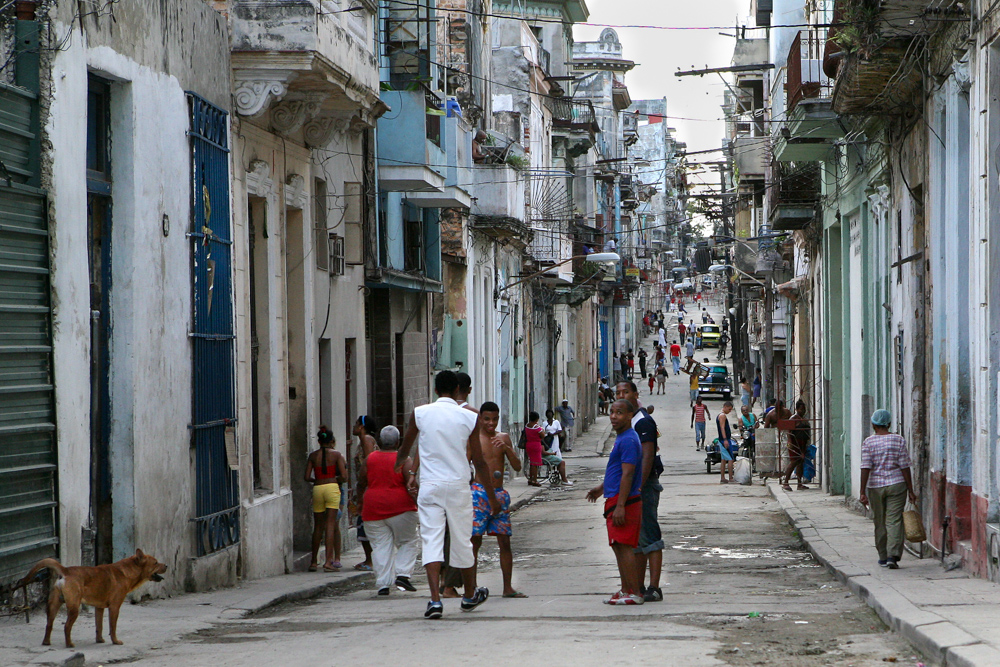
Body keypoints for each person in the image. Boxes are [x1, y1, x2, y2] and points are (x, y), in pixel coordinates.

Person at [396, 370, 499, 619]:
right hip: (457, 486)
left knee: (431, 540)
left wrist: (399, 464)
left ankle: (434, 601)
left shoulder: (420, 413)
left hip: (430, 486)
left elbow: (406, 446)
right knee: (463, 540)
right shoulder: (468, 417)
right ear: (456, 391)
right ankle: (469, 595)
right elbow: (479, 460)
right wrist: (491, 496)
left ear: (435, 390)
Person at [586, 400, 644, 605]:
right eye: (611, 412)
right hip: (614, 498)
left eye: (619, 412)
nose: (614, 416)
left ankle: (635, 592)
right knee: (618, 546)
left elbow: (628, 474)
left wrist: (620, 505)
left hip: (626, 502)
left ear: (630, 415)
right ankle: (625, 589)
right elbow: (617, 472)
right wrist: (601, 489)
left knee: (625, 546)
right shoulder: (622, 439)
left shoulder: (628, 440)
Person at [469, 402, 529, 597]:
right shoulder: (474, 439)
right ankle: (472, 587)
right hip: (478, 493)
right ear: (480, 419)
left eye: (494, 419)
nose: (491, 423)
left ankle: (507, 587)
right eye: (487, 419)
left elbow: (518, 467)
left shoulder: (503, 438)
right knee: (474, 542)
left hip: (500, 493)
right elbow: (464, 464)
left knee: (505, 542)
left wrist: (506, 448)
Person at [356, 425, 420, 596]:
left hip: (373, 508)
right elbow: (411, 484)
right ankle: (403, 574)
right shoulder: (404, 460)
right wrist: (419, 501)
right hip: (401, 508)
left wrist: (359, 501)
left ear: (380, 441)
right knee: (408, 541)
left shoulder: (370, 459)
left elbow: (361, 481)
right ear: (398, 442)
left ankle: (383, 583)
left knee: (380, 546)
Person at [615, 381, 664, 602]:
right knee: (637, 540)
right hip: (632, 489)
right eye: (618, 392)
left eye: (626, 392)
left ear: (636, 394)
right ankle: (639, 585)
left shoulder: (643, 422)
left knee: (650, 536)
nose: (622, 395)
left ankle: (654, 587)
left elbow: (647, 456)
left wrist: (638, 488)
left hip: (643, 487)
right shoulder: (628, 421)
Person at [859, 409, 918, 569]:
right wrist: (910, 490)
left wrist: (862, 491)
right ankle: (893, 555)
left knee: (879, 521)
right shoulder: (898, 440)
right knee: (894, 520)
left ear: (873, 424)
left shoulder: (868, 442)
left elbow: (865, 467)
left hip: (875, 486)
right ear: (889, 424)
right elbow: (904, 466)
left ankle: (883, 556)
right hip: (897, 484)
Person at [304, 426, 347, 572]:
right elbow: (344, 476)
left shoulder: (313, 456)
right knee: (330, 525)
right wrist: (334, 478)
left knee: (318, 526)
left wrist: (317, 479)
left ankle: (313, 562)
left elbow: (307, 476)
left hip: (317, 489)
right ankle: (328, 561)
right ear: (331, 440)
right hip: (332, 488)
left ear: (319, 441)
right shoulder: (337, 455)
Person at [352, 415, 379, 571]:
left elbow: (369, 463)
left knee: (364, 522)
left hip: (368, 487)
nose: (354, 427)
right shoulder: (365, 441)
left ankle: (370, 560)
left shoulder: (367, 440)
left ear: (361, 427)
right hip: (365, 486)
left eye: (356, 424)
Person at [780, 400, 812, 491]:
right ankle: (785, 482)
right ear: (797, 409)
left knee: (800, 463)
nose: (803, 411)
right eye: (801, 409)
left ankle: (799, 483)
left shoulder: (804, 419)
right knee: (794, 462)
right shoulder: (793, 419)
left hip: (802, 444)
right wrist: (790, 443)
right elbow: (789, 433)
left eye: (804, 409)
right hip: (795, 444)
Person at [541, 411, 573, 486]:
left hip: (555, 439)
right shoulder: (544, 423)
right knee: (559, 460)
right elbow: (544, 432)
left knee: (557, 454)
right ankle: (564, 479)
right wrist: (548, 434)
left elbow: (560, 430)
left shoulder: (556, 422)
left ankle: (558, 473)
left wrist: (554, 434)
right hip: (548, 441)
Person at [716, 402, 737, 483]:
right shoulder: (722, 416)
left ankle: (723, 478)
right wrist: (725, 439)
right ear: (725, 407)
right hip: (724, 440)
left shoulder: (721, 415)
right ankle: (730, 478)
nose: (730, 411)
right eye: (729, 409)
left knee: (724, 459)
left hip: (723, 439)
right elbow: (722, 428)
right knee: (730, 459)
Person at [524, 412, 545, 486]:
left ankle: (530, 478)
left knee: (531, 462)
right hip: (535, 445)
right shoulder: (536, 427)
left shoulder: (527, 425)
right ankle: (534, 480)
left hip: (528, 444)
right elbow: (542, 435)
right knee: (535, 464)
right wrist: (542, 429)